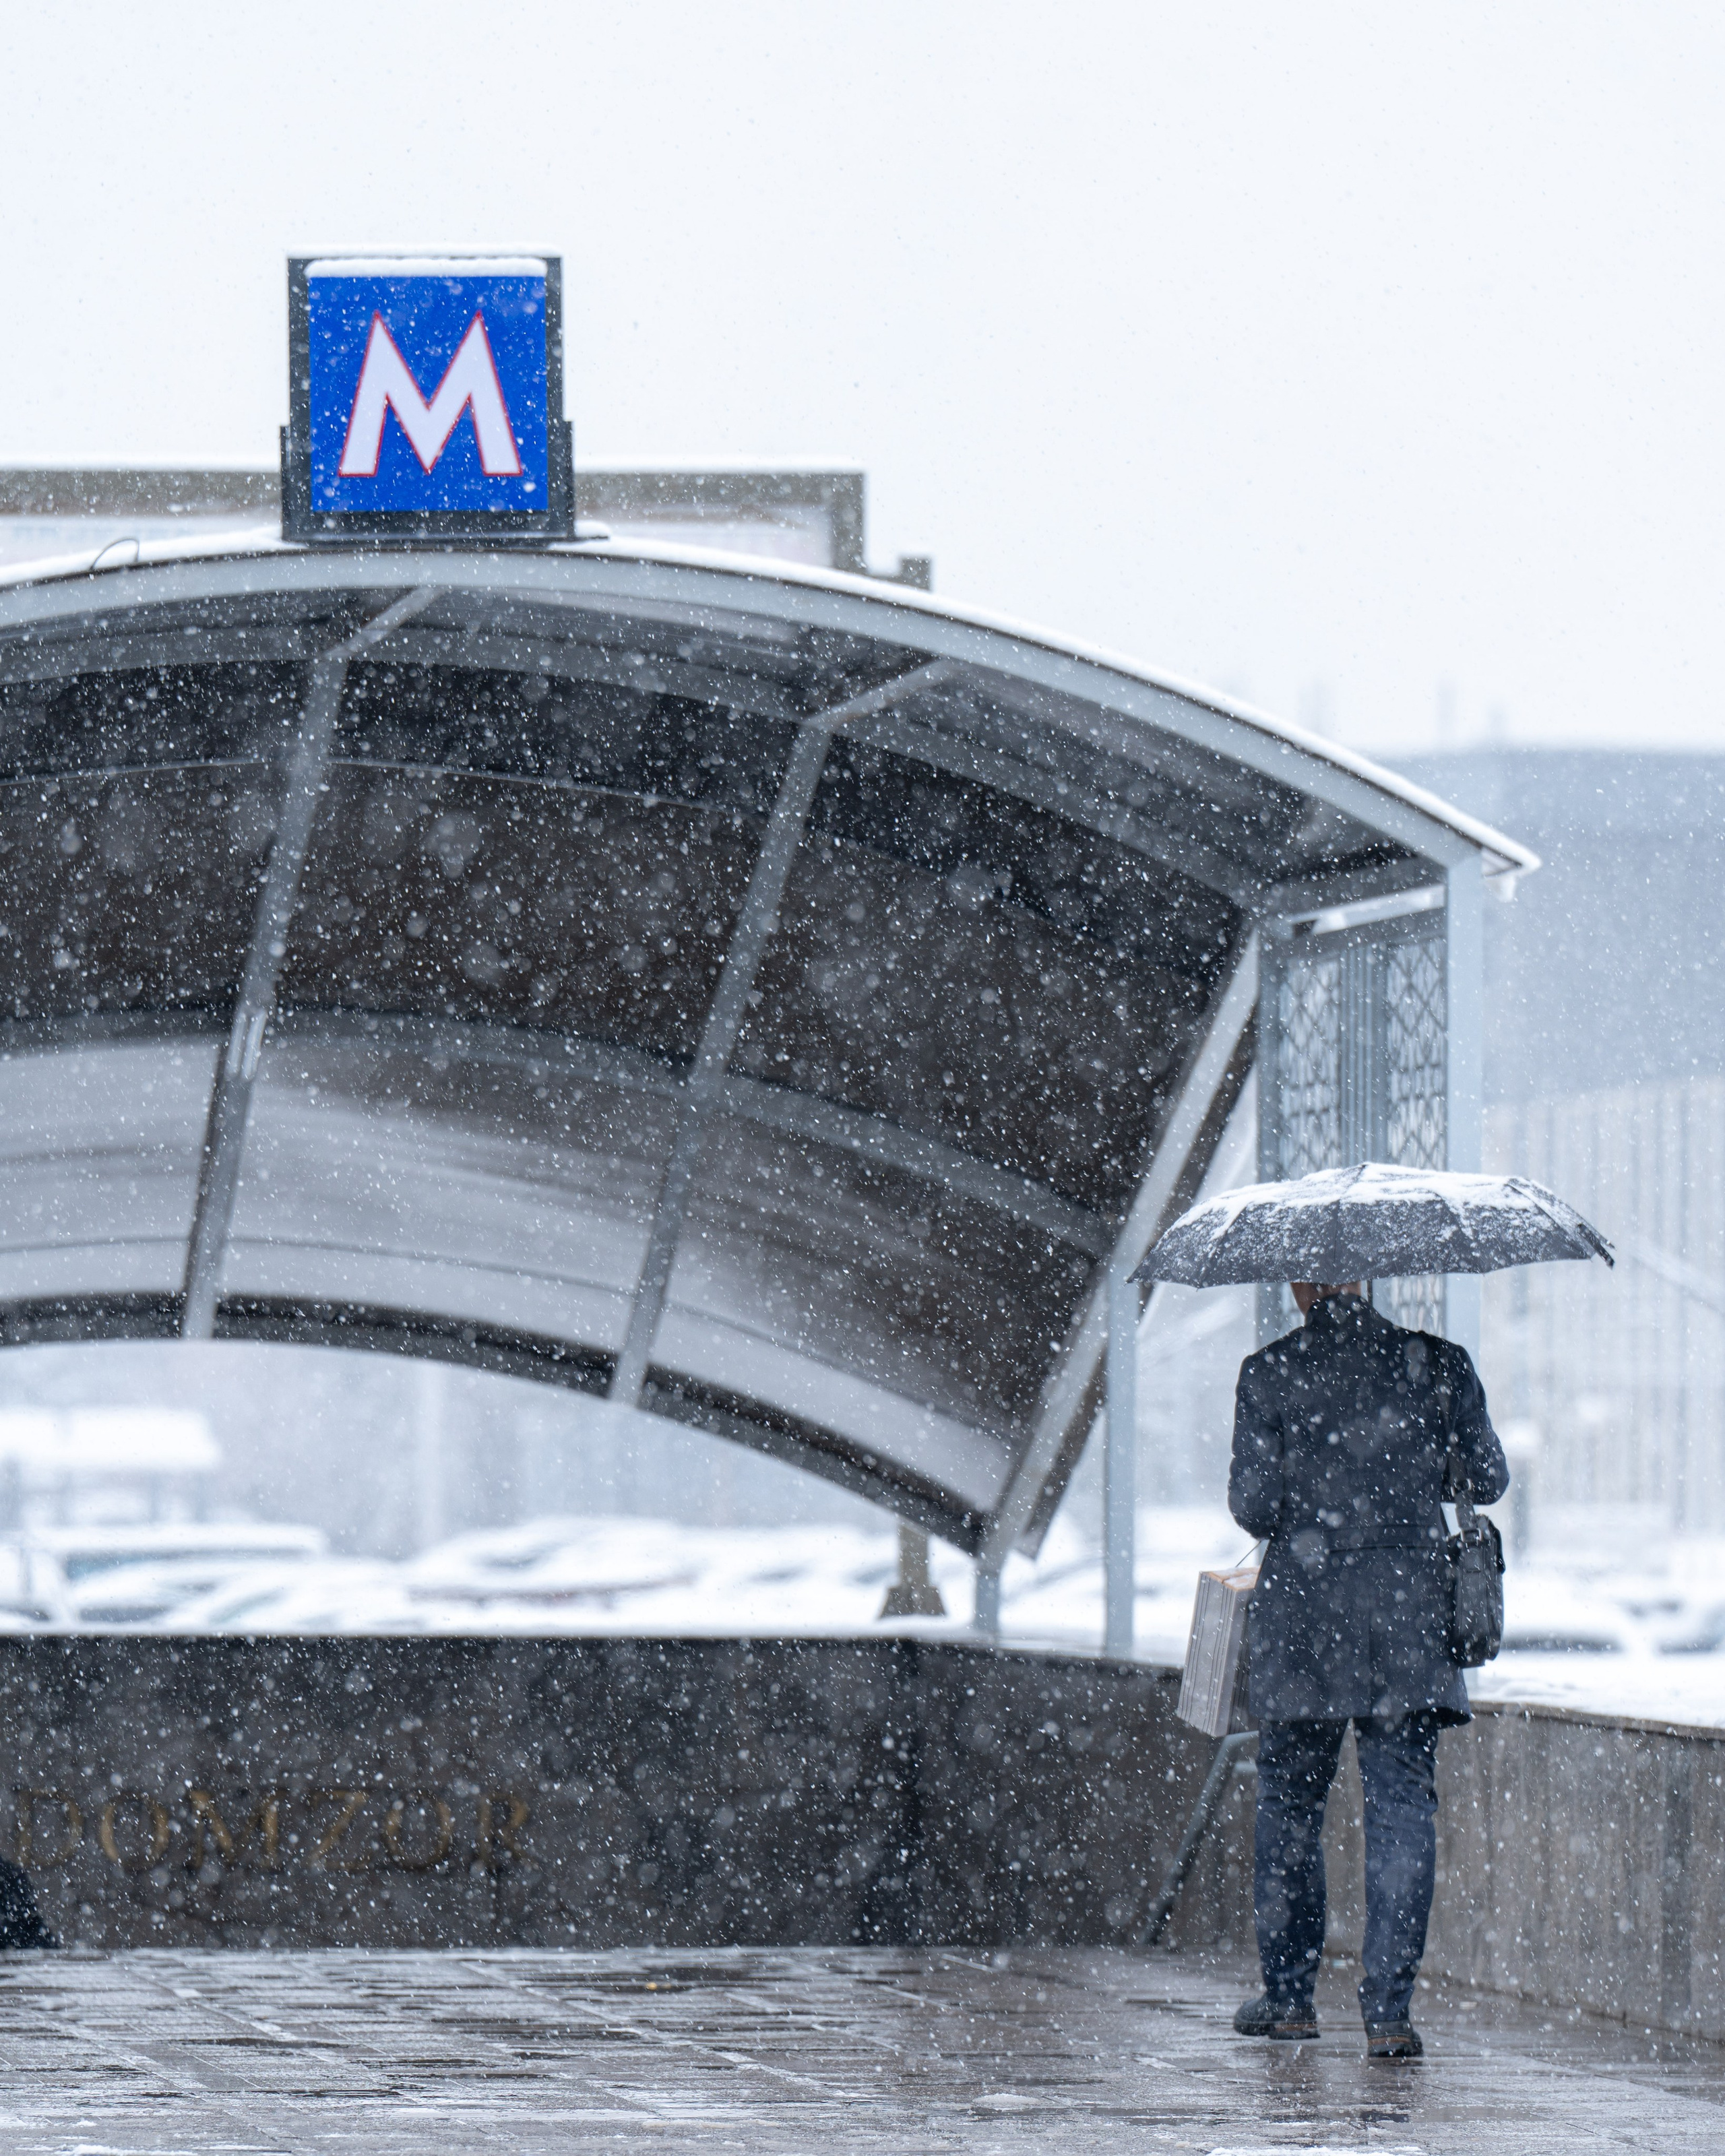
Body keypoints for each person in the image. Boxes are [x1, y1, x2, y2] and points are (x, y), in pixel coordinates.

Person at [1227, 1280, 1507, 2060]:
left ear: (1302, 1283)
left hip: (1305, 1620)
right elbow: (1487, 1480)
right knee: (1400, 1810)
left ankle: (1287, 1999)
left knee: (1289, 1804)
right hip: (1408, 1618)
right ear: (1371, 1278)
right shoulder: (1440, 1364)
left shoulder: (1269, 1371)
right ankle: (1388, 2012)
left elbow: (1252, 1506)